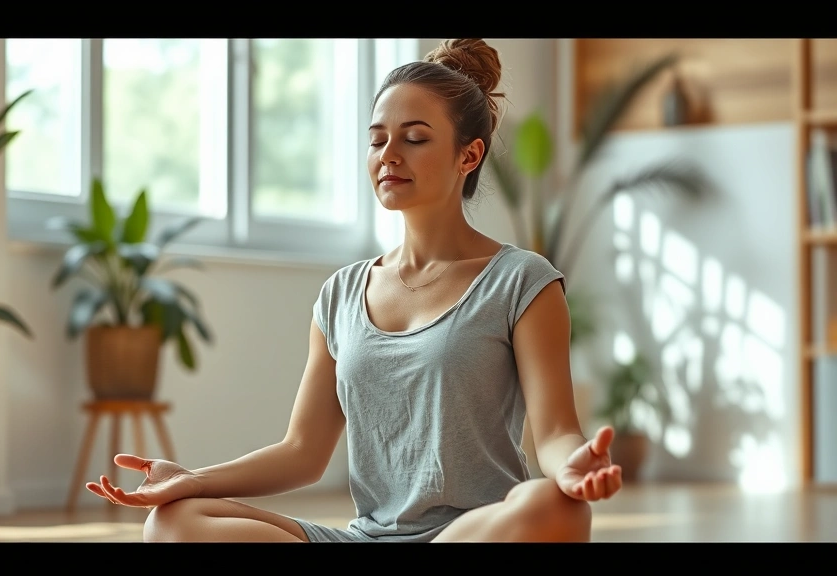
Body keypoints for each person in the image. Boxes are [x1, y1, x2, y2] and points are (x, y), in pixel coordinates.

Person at [86, 38, 623, 543]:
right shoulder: (340, 294)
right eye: (377, 140)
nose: (389, 154)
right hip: (364, 536)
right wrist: (193, 480)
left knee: (557, 508)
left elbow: (555, 432)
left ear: (469, 155)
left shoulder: (521, 281)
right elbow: (302, 451)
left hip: (473, 533)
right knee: (174, 522)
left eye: (414, 138)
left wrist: (573, 466)